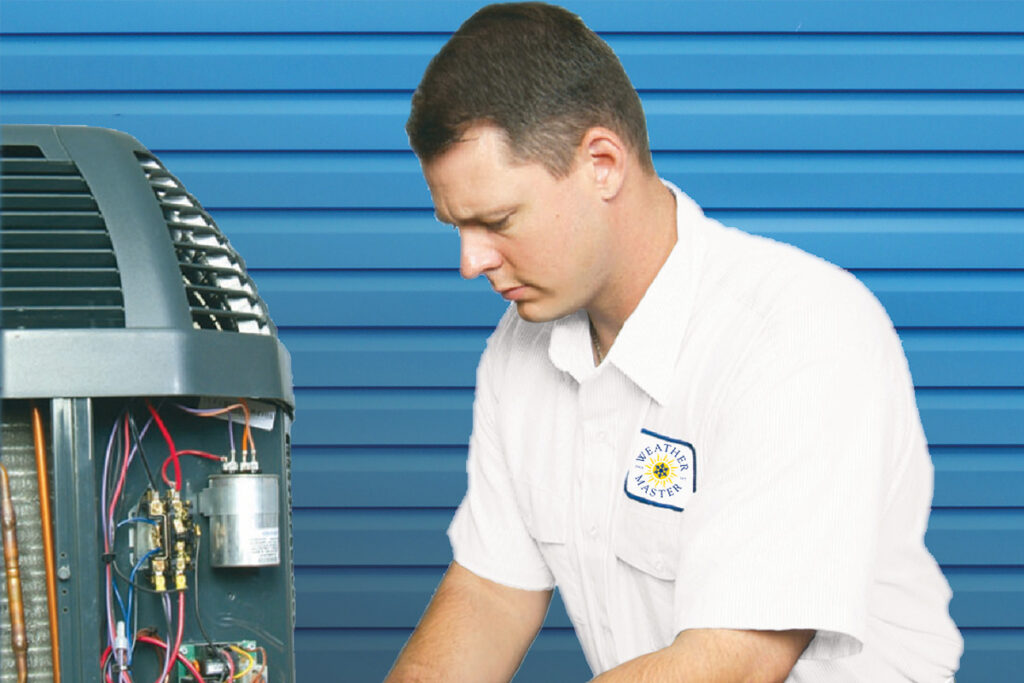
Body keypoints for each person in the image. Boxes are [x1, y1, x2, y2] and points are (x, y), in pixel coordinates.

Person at [386, 3, 963, 681]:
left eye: (497, 219)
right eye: (457, 226)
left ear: (602, 163)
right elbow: (488, 596)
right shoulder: (520, 353)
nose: (470, 261)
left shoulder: (801, 334)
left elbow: (732, 664)